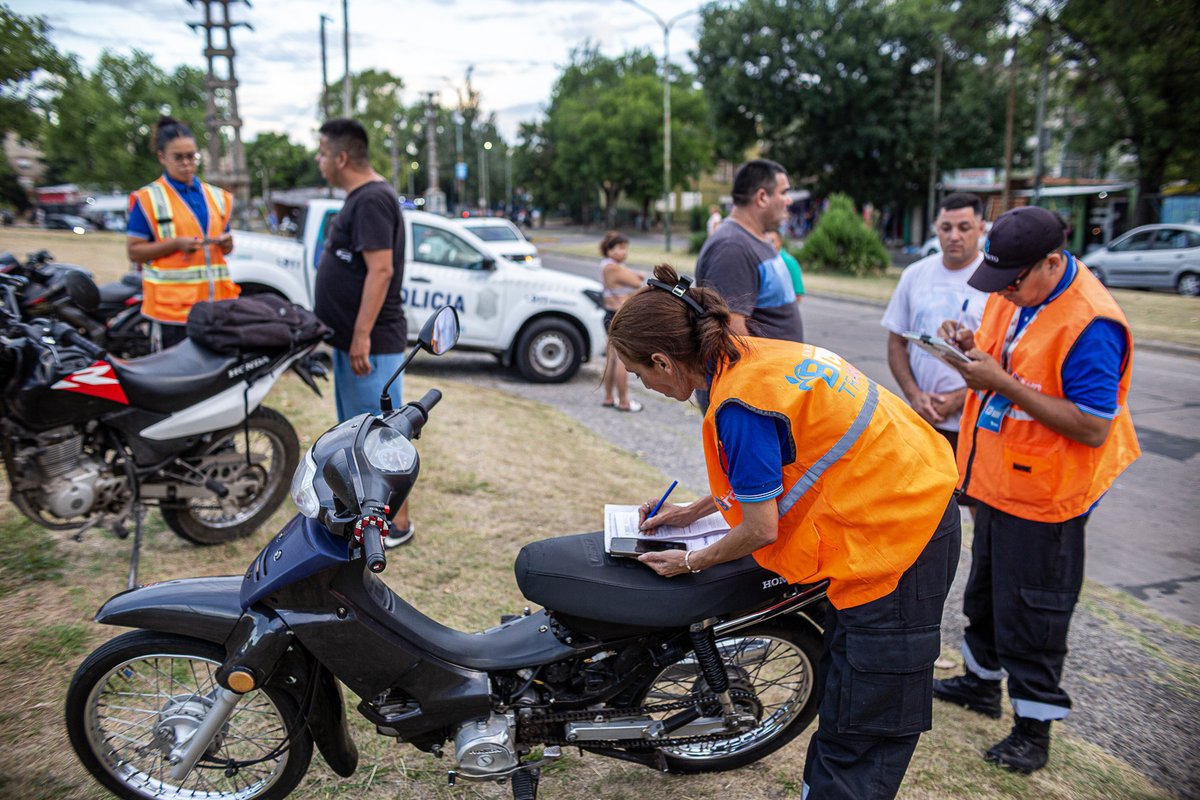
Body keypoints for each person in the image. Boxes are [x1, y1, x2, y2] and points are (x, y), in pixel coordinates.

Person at [608, 265, 962, 800]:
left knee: (862, 722)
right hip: (907, 502)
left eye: (640, 375)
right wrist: (697, 510)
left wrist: (688, 562)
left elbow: (760, 526)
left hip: (900, 536)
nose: (646, 387)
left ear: (663, 360)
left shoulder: (740, 404)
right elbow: (774, 474)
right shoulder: (758, 357)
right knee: (848, 688)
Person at [933, 205, 1141, 774]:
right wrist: (970, 344)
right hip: (1001, 480)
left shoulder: (1092, 322)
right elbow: (1014, 355)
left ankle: (1033, 729)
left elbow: (1093, 425)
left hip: (1050, 496)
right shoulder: (1018, 288)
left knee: (1035, 609)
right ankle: (980, 683)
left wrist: (999, 383)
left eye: (1013, 282)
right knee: (988, 592)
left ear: (1052, 262)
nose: (1005, 292)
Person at [313, 117, 414, 547]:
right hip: (354, 341)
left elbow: (381, 270)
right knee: (355, 438)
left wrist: (361, 335)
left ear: (340, 157)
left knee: (380, 440)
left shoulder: (372, 199)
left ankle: (396, 527)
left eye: (321, 152)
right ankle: (365, 518)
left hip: (370, 344)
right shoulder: (360, 198)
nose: (318, 161)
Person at [881, 192, 989, 467]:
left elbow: (1004, 362)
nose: (954, 236)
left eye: (964, 228)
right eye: (946, 228)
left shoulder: (995, 281)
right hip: (923, 417)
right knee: (926, 503)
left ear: (981, 228)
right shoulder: (914, 275)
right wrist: (914, 395)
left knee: (976, 503)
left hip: (976, 420)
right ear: (936, 229)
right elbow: (896, 342)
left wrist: (958, 399)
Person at [126, 115, 236, 350]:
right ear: (162, 157)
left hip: (215, 310)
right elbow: (135, 252)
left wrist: (226, 244)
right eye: (178, 157)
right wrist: (175, 244)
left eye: (191, 156)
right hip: (172, 315)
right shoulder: (148, 199)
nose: (186, 163)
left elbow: (225, 247)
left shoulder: (218, 197)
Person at [695, 159, 803, 345]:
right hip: (763, 372)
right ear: (762, 197)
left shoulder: (756, 237)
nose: (789, 200)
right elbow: (730, 329)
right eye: (784, 192)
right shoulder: (732, 247)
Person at [598, 231, 645, 412]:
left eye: (625, 248)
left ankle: (609, 397)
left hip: (610, 314)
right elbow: (635, 281)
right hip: (618, 316)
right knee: (621, 361)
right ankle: (624, 401)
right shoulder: (613, 268)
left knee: (611, 359)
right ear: (609, 250)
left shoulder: (608, 265)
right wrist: (637, 276)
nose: (624, 252)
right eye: (620, 248)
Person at [764, 229, 805, 305]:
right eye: (767, 241)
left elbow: (797, 295)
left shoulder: (790, 262)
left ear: (780, 242)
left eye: (772, 241)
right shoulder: (764, 260)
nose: (769, 245)